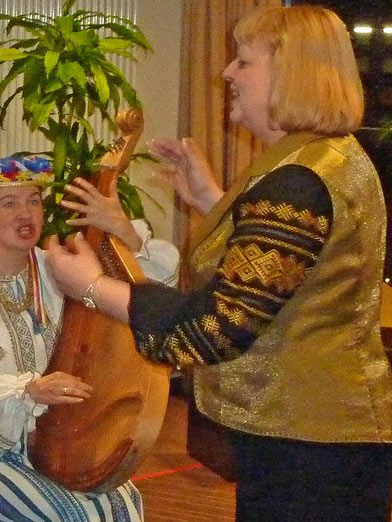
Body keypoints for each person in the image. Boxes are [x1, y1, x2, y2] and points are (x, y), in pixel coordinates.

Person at [44, 6, 392, 521]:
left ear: (291, 74)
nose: (227, 73)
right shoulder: (321, 158)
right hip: (318, 436)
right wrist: (213, 200)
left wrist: (92, 286)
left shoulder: (299, 180)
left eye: (244, 62)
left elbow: (217, 327)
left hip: (307, 447)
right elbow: (293, 263)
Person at [0, 156, 177, 521]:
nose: (25, 213)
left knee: (124, 502)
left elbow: (147, 295)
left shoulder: (59, 268)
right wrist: (28, 390)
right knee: (76, 516)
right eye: (9, 203)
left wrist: (126, 232)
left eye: (33, 200)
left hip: (57, 440)